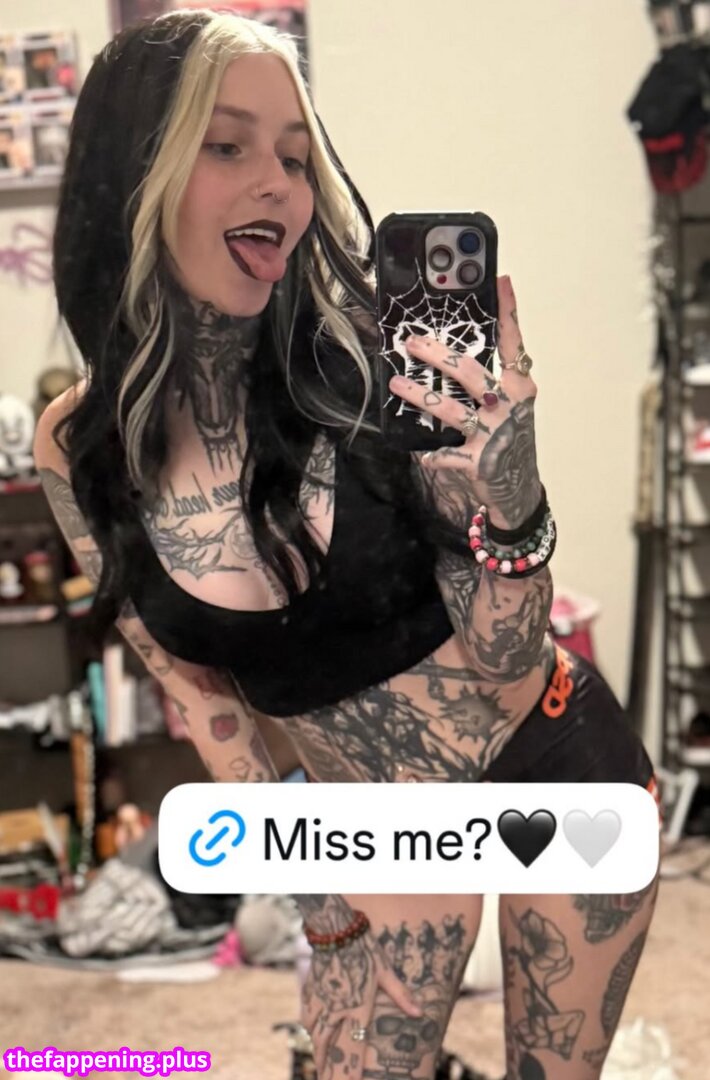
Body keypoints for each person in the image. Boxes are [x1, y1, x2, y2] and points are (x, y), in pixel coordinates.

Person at [34, 11, 660, 1080]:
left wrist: (509, 505)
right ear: (131, 173)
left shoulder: (373, 369)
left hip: (556, 772)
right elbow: (190, 681)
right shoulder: (80, 446)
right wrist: (307, 877)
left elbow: (506, 654)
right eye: (225, 145)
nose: (276, 185)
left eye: (293, 155)